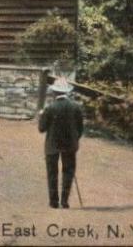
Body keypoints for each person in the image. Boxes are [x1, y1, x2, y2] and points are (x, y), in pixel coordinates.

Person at [38, 76, 83, 209]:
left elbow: (42, 128)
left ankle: (53, 202)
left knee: (52, 173)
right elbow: (80, 128)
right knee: (68, 172)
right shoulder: (76, 107)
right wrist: (75, 139)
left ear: (54, 92)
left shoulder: (50, 108)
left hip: (52, 144)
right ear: (67, 92)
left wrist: (41, 116)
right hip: (70, 145)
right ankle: (64, 201)